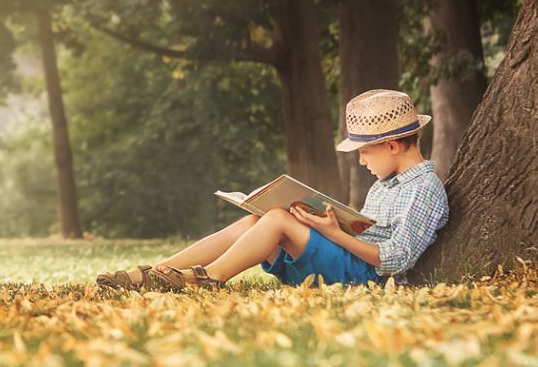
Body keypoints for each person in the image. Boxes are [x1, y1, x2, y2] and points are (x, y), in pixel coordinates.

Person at [95, 88, 449, 291]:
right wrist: (327, 222)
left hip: (366, 276)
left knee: (278, 219)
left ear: (391, 146)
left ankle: (208, 279)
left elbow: (396, 259)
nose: (361, 161)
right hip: (349, 259)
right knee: (257, 220)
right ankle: (158, 272)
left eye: (364, 152)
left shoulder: (425, 190)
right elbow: (366, 232)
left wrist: (332, 233)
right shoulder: (385, 185)